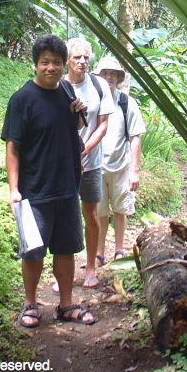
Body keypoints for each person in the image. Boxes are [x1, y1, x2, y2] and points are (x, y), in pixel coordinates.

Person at [1, 34, 96, 328]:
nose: (51, 67)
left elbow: (72, 128)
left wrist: (80, 114)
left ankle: (65, 305)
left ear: (62, 63)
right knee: (33, 252)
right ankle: (30, 304)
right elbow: (13, 148)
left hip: (67, 186)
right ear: (35, 65)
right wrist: (14, 190)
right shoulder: (22, 99)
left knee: (66, 249)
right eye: (45, 62)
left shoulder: (67, 91)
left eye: (56, 62)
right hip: (34, 190)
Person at [65, 37, 113, 288]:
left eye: (86, 57)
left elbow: (103, 124)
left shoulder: (99, 85)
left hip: (91, 162)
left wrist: (83, 150)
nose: (82, 62)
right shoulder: (59, 86)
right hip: (64, 164)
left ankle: (91, 266)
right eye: (77, 57)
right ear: (67, 61)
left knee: (91, 213)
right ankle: (66, 271)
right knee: (66, 215)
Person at [94, 57, 145, 261]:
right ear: (99, 76)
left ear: (118, 78)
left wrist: (135, 170)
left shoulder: (126, 103)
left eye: (113, 74)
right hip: (96, 166)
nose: (109, 77)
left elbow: (135, 137)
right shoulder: (93, 101)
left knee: (121, 208)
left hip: (122, 165)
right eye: (105, 73)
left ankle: (119, 249)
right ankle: (98, 253)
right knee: (100, 211)